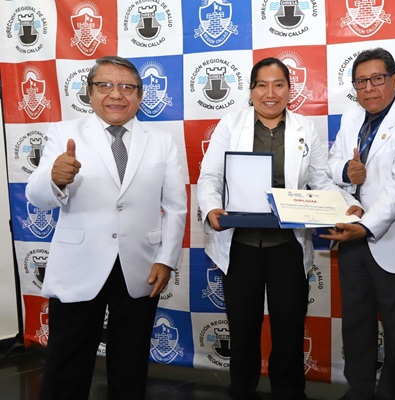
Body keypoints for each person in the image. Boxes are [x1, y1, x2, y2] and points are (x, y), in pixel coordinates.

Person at [197, 57, 362, 400]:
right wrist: (211, 206)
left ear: (289, 90)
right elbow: (210, 176)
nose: (269, 93)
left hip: (287, 246)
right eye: (262, 85)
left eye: (278, 85)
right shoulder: (230, 124)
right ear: (251, 90)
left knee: (289, 330)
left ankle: (289, 393)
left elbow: (320, 181)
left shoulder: (305, 129)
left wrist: (348, 205)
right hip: (240, 244)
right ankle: (242, 392)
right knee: (243, 329)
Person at [26, 56, 187, 400]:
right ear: (90, 92)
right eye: (106, 85)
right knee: (67, 362)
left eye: (127, 87)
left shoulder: (161, 141)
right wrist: (54, 178)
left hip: (141, 266)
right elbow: (36, 196)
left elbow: (176, 207)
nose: (116, 94)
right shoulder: (64, 133)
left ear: (140, 96)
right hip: (79, 265)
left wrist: (166, 259)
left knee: (130, 363)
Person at [321, 48, 395, 400]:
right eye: (361, 81)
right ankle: (359, 391)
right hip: (351, 236)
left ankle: (393, 395)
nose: (369, 88)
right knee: (356, 325)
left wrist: (366, 225)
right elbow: (332, 165)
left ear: (394, 80)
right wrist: (347, 174)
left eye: (377, 79)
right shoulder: (351, 118)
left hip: (394, 241)